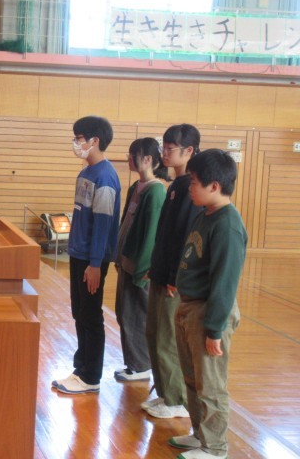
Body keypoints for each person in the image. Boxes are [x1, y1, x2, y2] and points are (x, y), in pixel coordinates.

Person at [168, 149, 246, 459]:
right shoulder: (205, 214)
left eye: (194, 182)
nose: (190, 187)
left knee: (211, 384)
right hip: (189, 306)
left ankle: (214, 447)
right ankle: (200, 434)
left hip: (209, 312)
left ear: (214, 186)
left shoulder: (228, 225)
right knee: (192, 378)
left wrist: (214, 329)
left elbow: (225, 282)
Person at [51, 115, 121, 394]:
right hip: (78, 254)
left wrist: (95, 264)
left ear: (95, 141)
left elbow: (103, 224)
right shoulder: (85, 173)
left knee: (91, 315)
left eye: (79, 138)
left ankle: (91, 377)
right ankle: (80, 369)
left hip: (92, 259)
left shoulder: (105, 177)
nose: (75, 143)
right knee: (79, 312)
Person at [144, 124, 202, 419]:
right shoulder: (175, 186)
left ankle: (176, 399)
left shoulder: (191, 188)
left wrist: (173, 278)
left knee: (167, 338)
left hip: (173, 280)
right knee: (153, 333)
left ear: (189, 150)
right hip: (160, 273)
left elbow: (185, 240)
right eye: (163, 147)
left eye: (170, 148)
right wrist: (155, 267)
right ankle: (165, 392)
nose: (164, 153)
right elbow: (165, 236)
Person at [114, 138, 167, 382]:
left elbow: (151, 234)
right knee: (125, 313)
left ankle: (142, 365)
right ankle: (134, 363)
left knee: (136, 315)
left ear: (147, 159)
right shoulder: (137, 186)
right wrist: (118, 256)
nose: (129, 159)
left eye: (132, 155)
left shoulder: (156, 191)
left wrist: (143, 269)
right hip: (126, 261)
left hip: (139, 267)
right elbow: (126, 222)